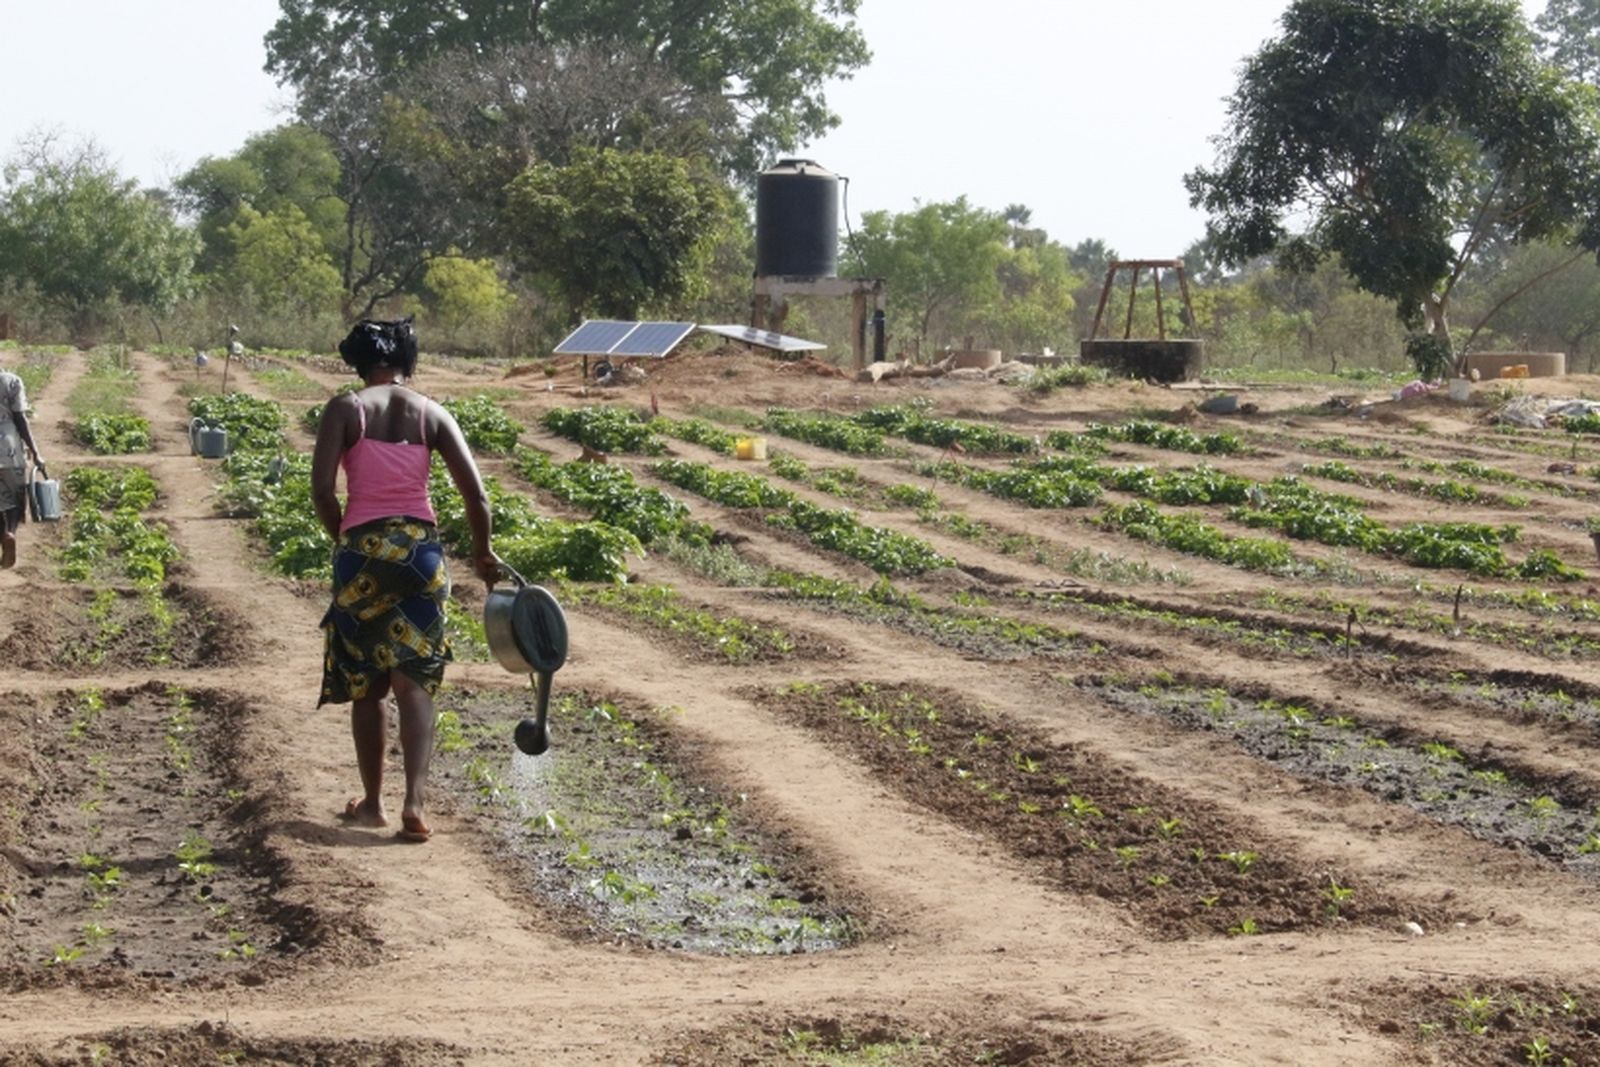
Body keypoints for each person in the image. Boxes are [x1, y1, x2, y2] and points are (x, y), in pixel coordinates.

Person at [312, 318, 500, 843]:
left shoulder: (346, 409)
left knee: (368, 686)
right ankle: (414, 802)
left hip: (362, 553)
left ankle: (373, 804)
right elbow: (476, 496)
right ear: (405, 362)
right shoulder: (431, 413)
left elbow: (323, 491)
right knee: (414, 683)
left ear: (358, 362)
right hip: (421, 554)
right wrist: (482, 552)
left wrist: (346, 538)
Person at [1, 367, 47, 570]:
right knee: (15, 497)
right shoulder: (12, 381)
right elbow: (20, 418)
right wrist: (35, 452)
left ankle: (3, 536)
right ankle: (10, 532)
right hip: (9, 447)